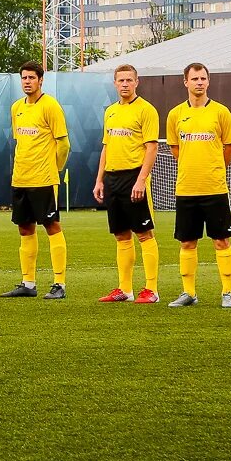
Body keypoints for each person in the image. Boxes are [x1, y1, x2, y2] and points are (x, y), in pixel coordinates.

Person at [163, 63, 231, 308]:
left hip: (215, 188)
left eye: (203, 78)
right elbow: (175, 148)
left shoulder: (221, 112)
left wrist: (215, 167)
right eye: (194, 78)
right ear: (185, 82)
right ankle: (188, 293)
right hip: (186, 189)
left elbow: (230, 147)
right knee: (187, 242)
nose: (199, 82)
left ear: (208, 81)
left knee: (221, 241)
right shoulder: (175, 115)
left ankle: (227, 292)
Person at [1, 61, 71, 299]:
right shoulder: (16, 108)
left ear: (41, 80)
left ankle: (59, 284)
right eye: (24, 78)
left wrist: (55, 169)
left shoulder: (50, 106)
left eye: (32, 77)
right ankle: (28, 283)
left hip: (44, 178)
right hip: (21, 178)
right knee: (24, 228)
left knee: (52, 227)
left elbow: (64, 143)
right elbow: (21, 141)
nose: (27, 82)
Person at [94, 64, 160, 303]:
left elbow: (152, 147)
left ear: (136, 82)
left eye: (129, 80)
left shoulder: (146, 110)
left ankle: (151, 289)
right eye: (120, 80)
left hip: (134, 176)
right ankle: (125, 289)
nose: (124, 84)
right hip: (112, 178)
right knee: (121, 235)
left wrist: (141, 180)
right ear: (114, 83)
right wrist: (100, 179)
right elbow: (106, 146)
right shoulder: (110, 111)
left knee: (143, 233)